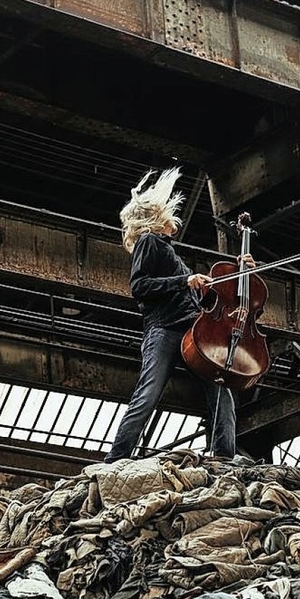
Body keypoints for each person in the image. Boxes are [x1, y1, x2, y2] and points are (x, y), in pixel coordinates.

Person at [104, 167, 250, 463]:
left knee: (221, 391)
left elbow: (208, 299)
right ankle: (114, 459)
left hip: (193, 334)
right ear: (156, 217)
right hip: (164, 330)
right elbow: (139, 286)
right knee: (148, 394)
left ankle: (224, 460)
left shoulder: (174, 257)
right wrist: (183, 281)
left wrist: (238, 272)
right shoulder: (150, 242)